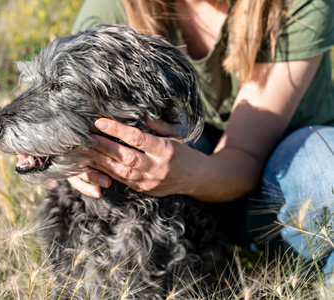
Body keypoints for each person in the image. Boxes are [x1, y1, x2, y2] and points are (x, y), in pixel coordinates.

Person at [68, 0, 334, 280]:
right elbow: (66, 107)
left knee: (323, 170)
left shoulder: (298, 5)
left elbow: (244, 152)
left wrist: (186, 171)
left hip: (284, 180)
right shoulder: (119, 7)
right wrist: (81, 155)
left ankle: (301, 264)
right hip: (191, 195)